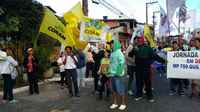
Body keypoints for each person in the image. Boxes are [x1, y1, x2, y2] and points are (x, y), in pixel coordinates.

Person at [129, 36, 165, 103]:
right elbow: (130, 55)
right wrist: (133, 50)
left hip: (146, 68)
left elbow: (155, 56)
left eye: (139, 41)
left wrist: (163, 61)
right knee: (138, 82)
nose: (138, 42)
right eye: (138, 41)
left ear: (142, 41)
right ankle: (139, 94)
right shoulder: (136, 48)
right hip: (138, 68)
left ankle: (149, 95)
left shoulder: (148, 48)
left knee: (147, 82)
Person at [108, 39, 127, 110]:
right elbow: (111, 63)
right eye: (110, 44)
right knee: (114, 90)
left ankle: (123, 103)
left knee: (121, 90)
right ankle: (115, 103)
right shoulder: (112, 52)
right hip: (112, 75)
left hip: (118, 75)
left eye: (112, 44)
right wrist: (108, 71)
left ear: (115, 44)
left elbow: (122, 63)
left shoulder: (119, 52)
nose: (110, 45)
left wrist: (118, 73)